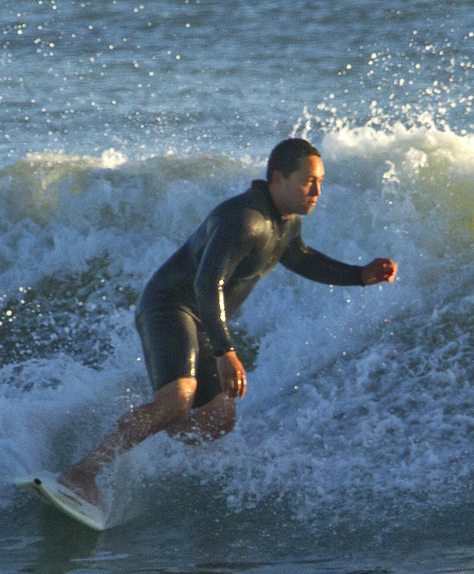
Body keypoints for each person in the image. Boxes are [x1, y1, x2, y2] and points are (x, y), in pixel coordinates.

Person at [57, 138, 397, 507]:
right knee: (179, 399)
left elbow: (302, 260)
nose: (317, 191)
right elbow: (206, 283)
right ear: (277, 178)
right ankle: (82, 473)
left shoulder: (286, 223)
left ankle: (148, 425)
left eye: (320, 181)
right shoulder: (245, 220)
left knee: (218, 420)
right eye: (308, 181)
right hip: (169, 305)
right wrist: (225, 352)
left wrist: (359, 275)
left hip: (203, 318)